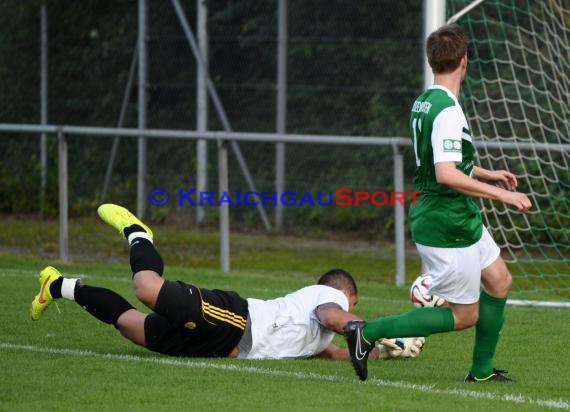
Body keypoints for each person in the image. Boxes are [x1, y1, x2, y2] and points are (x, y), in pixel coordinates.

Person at [343, 23, 532, 382]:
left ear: (433, 62)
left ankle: (481, 371)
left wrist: (487, 173)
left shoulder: (426, 101)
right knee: (465, 315)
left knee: (499, 281)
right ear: (464, 60)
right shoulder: (448, 111)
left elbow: (442, 161)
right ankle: (366, 333)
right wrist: (503, 194)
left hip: (458, 214)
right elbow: (446, 174)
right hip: (445, 220)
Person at [30, 203, 424, 361]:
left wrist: (384, 350)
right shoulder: (327, 295)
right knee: (147, 288)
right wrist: (360, 327)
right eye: (351, 304)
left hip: (224, 347)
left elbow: (335, 351)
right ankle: (138, 234)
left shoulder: (318, 338)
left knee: (131, 327)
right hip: (236, 318)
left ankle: (58, 285)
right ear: (346, 292)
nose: (348, 310)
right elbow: (331, 315)